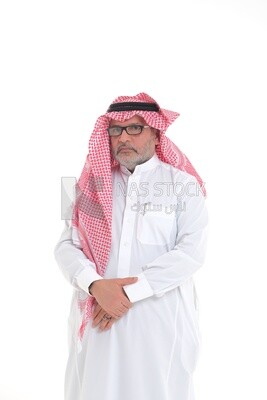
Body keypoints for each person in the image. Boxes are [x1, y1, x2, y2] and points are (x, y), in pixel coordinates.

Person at [54, 92, 208, 400]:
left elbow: (191, 253)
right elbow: (65, 248)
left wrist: (125, 293)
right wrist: (96, 285)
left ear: (154, 132)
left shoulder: (184, 185)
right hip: (98, 320)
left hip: (159, 323)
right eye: (116, 130)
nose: (124, 137)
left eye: (135, 128)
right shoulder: (85, 185)